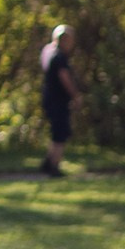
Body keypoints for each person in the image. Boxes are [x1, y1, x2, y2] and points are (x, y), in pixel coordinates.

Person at [39, 22, 78, 177]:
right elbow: (64, 77)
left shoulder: (50, 53)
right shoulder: (59, 57)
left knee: (57, 133)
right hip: (57, 100)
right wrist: (75, 95)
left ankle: (48, 163)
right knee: (60, 134)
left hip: (51, 99)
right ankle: (53, 167)